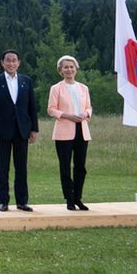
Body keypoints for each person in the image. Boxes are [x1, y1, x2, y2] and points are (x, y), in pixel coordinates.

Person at [0, 49, 38, 212]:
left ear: (19, 62)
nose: (11, 63)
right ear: (2, 63)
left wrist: (34, 129)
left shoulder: (26, 81)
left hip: (22, 130)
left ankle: (22, 201)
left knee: (21, 167)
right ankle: (3, 201)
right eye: (8, 60)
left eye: (14, 60)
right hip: (2, 130)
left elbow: (32, 107)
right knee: (3, 168)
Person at [47, 55, 92, 211]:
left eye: (71, 67)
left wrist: (86, 114)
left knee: (80, 166)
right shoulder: (56, 88)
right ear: (60, 70)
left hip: (82, 130)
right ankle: (69, 199)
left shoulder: (83, 88)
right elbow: (51, 109)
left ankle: (78, 197)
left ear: (76, 69)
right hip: (64, 131)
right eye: (65, 67)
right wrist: (68, 116)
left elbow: (89, 107)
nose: (69, 69)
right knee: (65, 166)